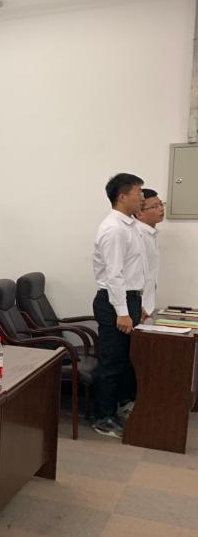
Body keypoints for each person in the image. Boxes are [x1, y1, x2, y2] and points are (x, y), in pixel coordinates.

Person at [91, 173, 146, 437]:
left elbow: (134, 270)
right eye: (139, 193)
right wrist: (122, 312)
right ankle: (103, 418)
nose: (142, 198)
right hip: (114, 302)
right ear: (122, 196)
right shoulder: (114, 228)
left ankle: (117, 409)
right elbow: (114, 275)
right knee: (111, 362)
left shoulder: (130, 226)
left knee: (125, 361)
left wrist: (137, 304)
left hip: (128, 299)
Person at [136, 188, 164, 317]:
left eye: (161, 204)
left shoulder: (150, 234)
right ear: (139, 213)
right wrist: (137, 305)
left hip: (145, 306)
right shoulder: (138, 235)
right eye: (154, 206)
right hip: (136, 305)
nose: (161, 209)